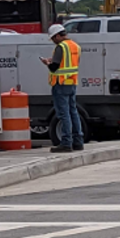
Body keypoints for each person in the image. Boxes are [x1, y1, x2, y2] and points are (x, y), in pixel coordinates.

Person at [40, 24, 83, 153]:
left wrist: (48, 63)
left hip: (60, 83)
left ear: (58, 35)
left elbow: (55, 67)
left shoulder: (61, 47)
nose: (53, 41)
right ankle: (78, 142)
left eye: (53, 38)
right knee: (73, 112)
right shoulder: (76, 46)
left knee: (64, 114)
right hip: (72, 83)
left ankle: (66, 143)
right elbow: (70, 63)